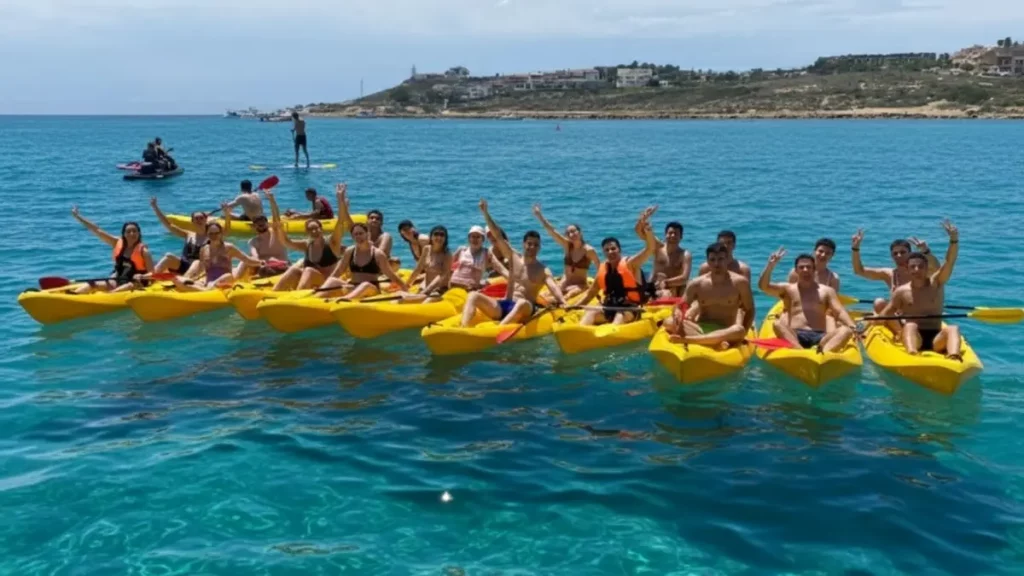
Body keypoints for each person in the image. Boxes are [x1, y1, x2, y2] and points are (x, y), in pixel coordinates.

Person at [459, 199, 567, 327]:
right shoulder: (513, 257)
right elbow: (498, 236)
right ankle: (463, 328)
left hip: (527, 308)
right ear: (524, 244)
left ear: (539, 248)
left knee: (521, 302)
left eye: (535, 245)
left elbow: (554, 288)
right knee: (472, 296)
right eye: (529, 244)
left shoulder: (543, 270)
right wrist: (485, 213)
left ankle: (498, 330)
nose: (532, 247)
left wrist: (563, 302)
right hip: (506, 305)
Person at [873, 220, 961, 359]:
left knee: (953, 328)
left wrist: (954, 239)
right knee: (910, 326)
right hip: (914, 337)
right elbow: (885, 314)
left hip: (936, 338)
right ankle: (912, 355)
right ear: (907, 270)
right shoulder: (901, 291)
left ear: (927, 269)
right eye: (913, 267)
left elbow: (950, 261)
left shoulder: (937, 282)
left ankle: (954, 356)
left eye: (921, 267)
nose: (917, 270)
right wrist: (867, 326)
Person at [758, 248, 858, 353]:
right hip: (795, 335)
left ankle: (824, 353)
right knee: (777, 324)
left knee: (846, 330)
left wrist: (852, 326)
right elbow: (763, 286)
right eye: (801, 267)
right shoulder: (787, 289)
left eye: (809, 267)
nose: (805, 270)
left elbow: (839, 311)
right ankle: (800, 351)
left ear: (814, 270)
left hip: (820, 336)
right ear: (796, 271)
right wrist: (770, 266)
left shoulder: (827, 291)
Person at [573, 208, 659, 327]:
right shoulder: (603, 269)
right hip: (609, 307)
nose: (610, 252)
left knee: (619, 316)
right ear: (604, 253)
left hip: (631, 309)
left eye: (613, 248)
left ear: (619, 250)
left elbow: (650, 248)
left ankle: (610, 332)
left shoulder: (630, 264)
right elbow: (590, 294)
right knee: (590, 313)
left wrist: (648, 230)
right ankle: (579, 334)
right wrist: (573, 307)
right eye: (607, 250)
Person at [663, 242, 755, 349]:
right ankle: (714, 343)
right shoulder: (697, 283)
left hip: (726, 330)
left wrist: (741, 337)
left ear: (727, 260)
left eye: (720, 259)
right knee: (668, 322)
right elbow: (681, 306)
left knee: (739, 330)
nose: (716, 264)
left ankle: (688, 340)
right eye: (712, 260)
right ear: (707, 262)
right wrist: (677, 313)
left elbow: (750, 310)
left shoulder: (740, 283)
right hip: (701, 328)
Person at [270, 184, 347, 291]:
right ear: (307, 232)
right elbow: (285, 241)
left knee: (308, 270)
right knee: (293, 270)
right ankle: (274, 294)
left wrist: (340, 198)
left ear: (321, 229)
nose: (314, 231)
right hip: (310, 283)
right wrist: (273, 202)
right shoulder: (307, 245)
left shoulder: (332, 242)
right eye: (311, 229)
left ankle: (297, 298)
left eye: (316, 228)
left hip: (326, 284)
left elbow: (340, 222)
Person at [851, 230, 940, 312]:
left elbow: (938, 269)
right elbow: (859, 270)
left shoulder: (920, 272)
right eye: (895, 253)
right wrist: (855, 249)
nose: (899, 255)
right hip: (897, 316)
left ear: (910, 253)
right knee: (879, 303)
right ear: (892, 256)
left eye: (902, 252)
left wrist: (926, 251)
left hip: (918, 314)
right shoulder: (889, 274)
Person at [70, 206, 154, 293]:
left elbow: (152, 274)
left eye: (134, 231)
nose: (132, 233)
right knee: (92, 284)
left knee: (128, 286)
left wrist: (141, 276)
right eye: (128, 231)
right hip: (118, 281)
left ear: (139, 233)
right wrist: (77, 216)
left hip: (137, 284)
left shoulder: (144, 252)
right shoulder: (116, 242)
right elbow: (97, 230)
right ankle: (73, 295)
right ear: (124, 234)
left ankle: (110, 295)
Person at [315, 222, 409, 300]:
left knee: (365, 284)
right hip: (353, 287)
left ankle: (345, 300)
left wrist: (405, 288)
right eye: (355, 234)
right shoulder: (350, 251)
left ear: (367, 234)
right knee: (332, 280)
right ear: (352, 236)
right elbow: (339, 271)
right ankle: (314, 300)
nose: (358, 236)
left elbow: (391, 275)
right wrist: (324, 286)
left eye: (361, 233)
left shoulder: (377, 254)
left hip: (371, 290)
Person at [172, 221, 265, 291]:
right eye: (211, 234)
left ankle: (200, 289)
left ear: (221, 234)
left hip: (225, 282)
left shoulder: (229, 248)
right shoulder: (204, 249)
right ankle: (200, 288)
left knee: (227, 276)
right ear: (207, 234)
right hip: (208, 282)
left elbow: (246, 259)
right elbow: (201, 268)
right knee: (179, 279)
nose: (214, 236)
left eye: (216, 233)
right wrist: (192, 278)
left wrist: (261, 262)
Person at [531, 203, 599, 299]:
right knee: (543, 296)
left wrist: (597, 286)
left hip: (579, 285)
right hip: (564, 283)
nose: (572, 234)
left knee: (568, 296)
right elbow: (552, 231)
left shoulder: (589, 250)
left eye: (574, 231)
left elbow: (599, 267)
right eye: (569, 233)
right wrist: (539, 216)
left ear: (580, 232)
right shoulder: (567, 246)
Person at [238, 189, 290, 278]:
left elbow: (276, 218)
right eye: (257, 223)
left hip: (281, 268)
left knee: (269, 261)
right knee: (245, 260)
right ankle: (235, 281)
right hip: (264, 268)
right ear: (254, 227)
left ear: (268, 224)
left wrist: (272, 201)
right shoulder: (253, 242)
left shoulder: (276, 234)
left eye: (262, 223)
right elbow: (255, 257)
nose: (260, 225)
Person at [149, 197, 208, 275]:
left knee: (197, 262)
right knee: (169, 256)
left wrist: (227, 215)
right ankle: (150, 277)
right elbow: (169, 225)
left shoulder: (211, 236)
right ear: (192, 221)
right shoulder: (188, 234)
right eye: (196, 218)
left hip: (198, 268)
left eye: (201, 218)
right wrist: (155, 207)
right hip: (183, 265)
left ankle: (185, 279)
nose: (199, 220)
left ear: (206, 219)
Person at [399, 226, 453, 302]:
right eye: (436, 234)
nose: (439, 237)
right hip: (426, 287)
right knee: (403, 299)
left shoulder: (447, 254)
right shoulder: (427, 249)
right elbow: (418, 268)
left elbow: (442, 276)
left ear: (445, 238)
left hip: (439, 290)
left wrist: (426, 291)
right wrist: (406, 285)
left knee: (424, 302)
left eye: (442, 235)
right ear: (431, 237)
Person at [449, 225, 509, 291]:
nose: (475, 239)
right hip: (452, 285)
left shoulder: (486, 253)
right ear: (469, 238)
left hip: (469, 289)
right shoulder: (461, 250)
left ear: (482, 239)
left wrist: (514, 282)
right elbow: (447, 267)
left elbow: (501, 269)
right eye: (473, 236)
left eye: (478, 237)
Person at [336, 189, 393, 259]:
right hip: (363, 261)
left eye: (378, 219)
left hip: (378, 264)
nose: (374, 220)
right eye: (371, 218)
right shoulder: (364, 234)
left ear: (381, 223)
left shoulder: (385, 236)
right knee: (339, 247)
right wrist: (344, 207)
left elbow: (380, 253)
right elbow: (351, 226)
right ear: (367, 222)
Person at [647, 220, 692, 298]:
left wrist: (666, 282)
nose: (673, 235)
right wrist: (644, 223)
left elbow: (685, 278)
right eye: (670, 233)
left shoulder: (685, 255)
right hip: (656, 286)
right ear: (665, 235)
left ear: (681, 237)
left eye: (676, 233)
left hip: (675, 288)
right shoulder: (657, 249)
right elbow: (645, 235)